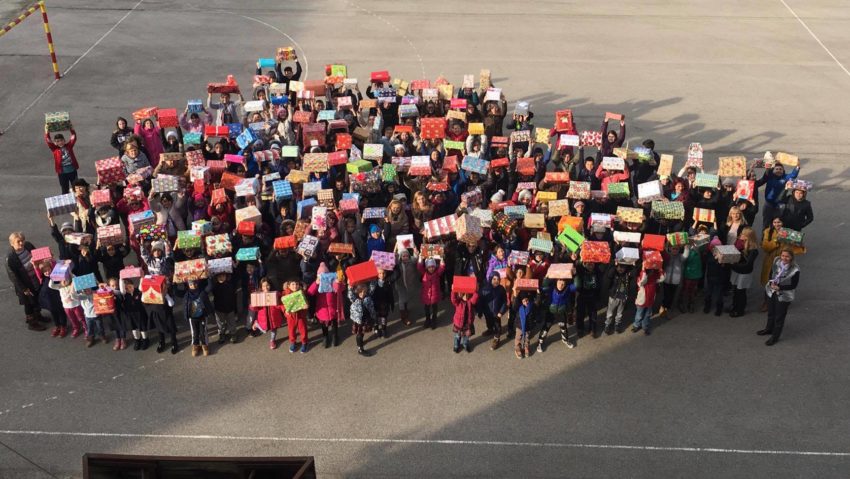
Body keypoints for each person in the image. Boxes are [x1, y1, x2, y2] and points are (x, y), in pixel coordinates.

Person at [6, 232, 47, 331]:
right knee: (29, 303)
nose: (21, 243)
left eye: (22, 240)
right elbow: (14, 277)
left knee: (37, 297)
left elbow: (37, 254)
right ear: (12, 243)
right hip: (25, 284)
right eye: (18, 242)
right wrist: (24, 288)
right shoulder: (11, 258)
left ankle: (38, 315)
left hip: (35, 278)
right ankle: (32, 323)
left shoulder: (28, 245)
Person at [759, 249, 800, 346]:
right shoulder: (776, 261)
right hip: (771, 290)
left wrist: (779, 287)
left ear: (791, 258)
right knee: (771, 312)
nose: (784, 258)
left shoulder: (795, 269)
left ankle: (775, 336)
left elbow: (793, 285)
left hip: (784, 295)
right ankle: (769, 329)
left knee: (779, 316)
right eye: (783, 256)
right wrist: (771, 281)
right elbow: (771, 272)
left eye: (787, 256)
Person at [729, 227, 759, 317]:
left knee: (741, 292)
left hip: (744, 273)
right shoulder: (742, 244)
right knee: (735, 290)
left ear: (748, 237)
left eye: (743, 234)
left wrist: (732, 264)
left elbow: (748, 264)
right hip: (737, 271)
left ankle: (740, 310)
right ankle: (734, 306)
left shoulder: (753, 250)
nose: (740, 235)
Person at [44, 123, 79, 194]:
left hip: (72, 171)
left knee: (75, 188)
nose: (60, 142)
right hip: (62, 173)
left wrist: (71, 129)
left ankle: (78, 202)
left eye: (61, 140)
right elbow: (48, 140)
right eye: (57, 141)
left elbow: (73, 137)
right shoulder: (54, 149)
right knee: (64, 189)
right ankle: (66, 204)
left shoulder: (69, 146)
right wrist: (47, 132)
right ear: (55, 143)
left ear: (64, 140)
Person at [632, 261, 665, 335]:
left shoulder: (654, 277)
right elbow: (642, 281)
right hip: (641, 300)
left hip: (650, 300)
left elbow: (662, 278)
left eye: (653, 270)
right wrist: (644, 268)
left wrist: (660, 268)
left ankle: (645, 326)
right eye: (650, 270)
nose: (652, 272)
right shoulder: (641, 277)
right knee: (639, 314)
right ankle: (636, 325)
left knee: (647, 315)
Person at [185, 279, 214, 356]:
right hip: (193, 317)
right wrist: (174, 284)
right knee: (195, 332)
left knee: (203, 332)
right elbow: (177, 293)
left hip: (202, 316)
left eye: (195, 284)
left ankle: (205, 345)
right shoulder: (187, 294)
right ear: (188, 285)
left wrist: (208, 277)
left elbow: (210, 287)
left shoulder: (202, 292)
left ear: (198, 284)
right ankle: (195, 345)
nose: (193, 286)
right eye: (191, 284)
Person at [417, 257, 445, 329]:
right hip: (426, 296)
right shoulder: (424, 273)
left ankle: (434, 320)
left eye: (433, 267)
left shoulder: (437, 273)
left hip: (434, 296)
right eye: (429, 267)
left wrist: (441, 260)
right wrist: (420, 258)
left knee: (434, 309)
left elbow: (442, 267)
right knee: (426, 309)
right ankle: (427, 320)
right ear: (426, 267)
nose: (431, 268)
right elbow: (419, 267)